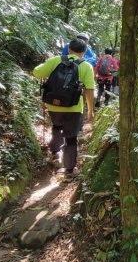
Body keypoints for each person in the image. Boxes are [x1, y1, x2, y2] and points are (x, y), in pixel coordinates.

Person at [33, 38, 95, 180]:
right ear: (84, 52)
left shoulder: (55, 60)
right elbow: (90, 90)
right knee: (71, 137)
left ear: (69, 49)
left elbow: (36, 72)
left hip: (53, 105)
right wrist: (90, 110)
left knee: (56, 126)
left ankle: (55, 154)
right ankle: (68, 170)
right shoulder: (86, 66)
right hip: (74, 107)